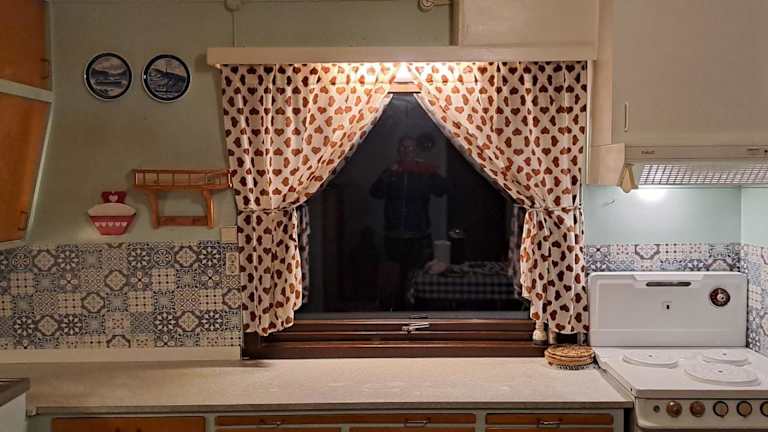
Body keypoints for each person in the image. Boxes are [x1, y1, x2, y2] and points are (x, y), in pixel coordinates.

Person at [370, 136, 448, 309]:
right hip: (393, 236)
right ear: (398, 151)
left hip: (419, 236)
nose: (407, 151)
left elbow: (442, 190)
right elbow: (375, 193)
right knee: (394, 281)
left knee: (419, 279)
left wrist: (431, 172)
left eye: (411, 148)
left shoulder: (424, 172)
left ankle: (417, 314)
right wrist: (387, 174)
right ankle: (395, 314)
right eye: (404, 148)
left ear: (416, 151)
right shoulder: (391, 172)